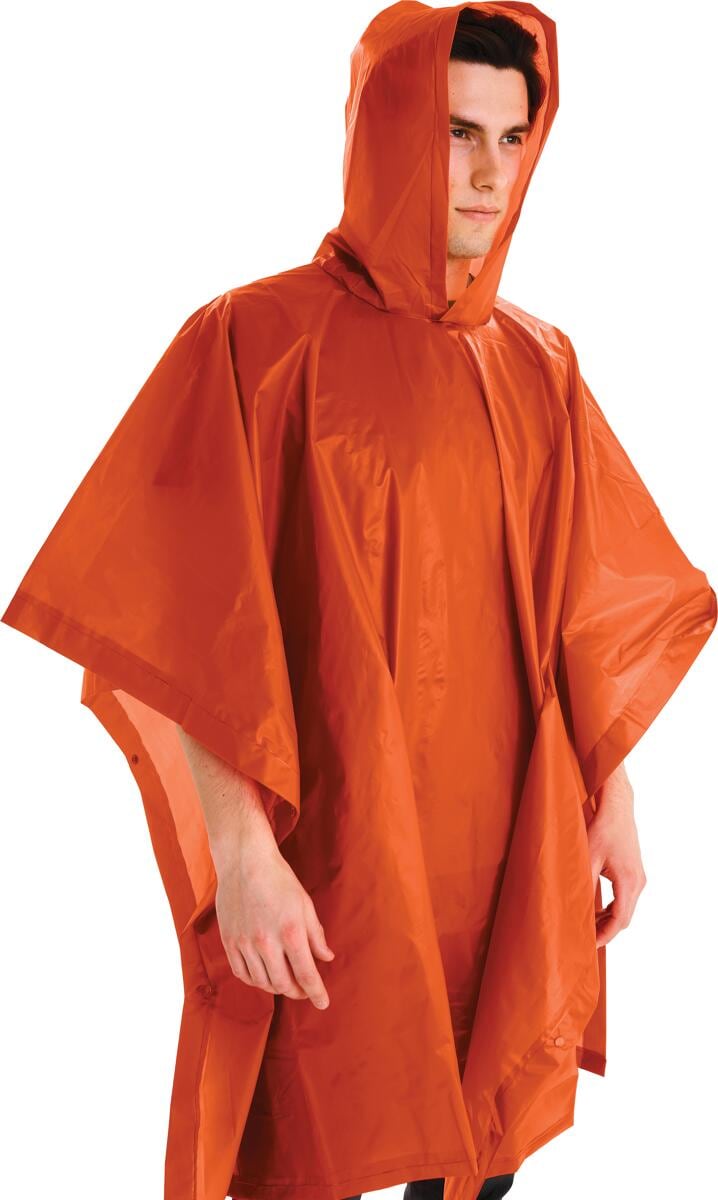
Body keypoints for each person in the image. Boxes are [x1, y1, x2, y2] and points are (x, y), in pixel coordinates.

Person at [2, 5, 715, 1200]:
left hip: (501, 861)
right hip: (334, 860)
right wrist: (242, 851)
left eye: (512, 137)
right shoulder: (254, 341)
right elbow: (178, 610)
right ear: (387, 131)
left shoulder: (538, 364)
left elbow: (579, 610)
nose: (489, 173)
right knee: (309, 1138)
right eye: (457, 132)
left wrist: (614, 795)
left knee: (480, 1140)